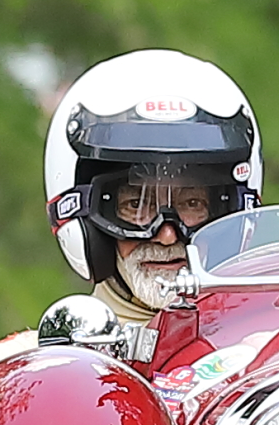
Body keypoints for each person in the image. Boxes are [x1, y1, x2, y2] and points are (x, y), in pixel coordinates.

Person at [43, 47, 264, 324]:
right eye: (135, 205)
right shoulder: (40, 363)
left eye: (192, 204)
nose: (167, 235)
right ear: (85, 218)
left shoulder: (273, 351)